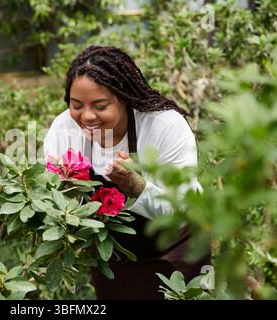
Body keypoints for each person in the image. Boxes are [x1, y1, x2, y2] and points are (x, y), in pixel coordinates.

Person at [43, 45, 210, 299]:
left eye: (100, 105)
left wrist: (137, 187)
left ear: (124, 97)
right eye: (76, 105)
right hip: (114, 261)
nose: (86, 116)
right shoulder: (63, 128)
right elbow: (51, 196)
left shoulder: (164, 126)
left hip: (175, 254)